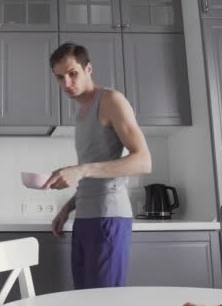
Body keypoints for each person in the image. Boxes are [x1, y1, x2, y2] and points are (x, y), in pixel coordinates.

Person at [43, 42, 152, 289]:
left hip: (109, 218)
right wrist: (68, 208)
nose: (66, 83)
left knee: (104, 301)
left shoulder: (111, 100)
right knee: (84, 299)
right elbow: (92, 171)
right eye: (60, 77)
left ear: (88, 68)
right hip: (85, 219)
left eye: (73, 74)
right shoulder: (80, 114)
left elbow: (144, 161)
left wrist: (79, 170)